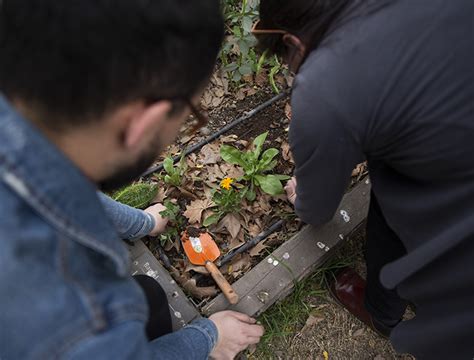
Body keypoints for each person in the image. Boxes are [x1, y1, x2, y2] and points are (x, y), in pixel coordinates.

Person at [0, 1, 264, 359]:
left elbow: (65, 190)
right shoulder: (83, 323)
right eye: (190, 114)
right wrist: (209, 337)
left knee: (151, 297)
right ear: (143, 122)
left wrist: (144, 222)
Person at [253, 0, 474, 358]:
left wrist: (303, 197)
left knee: (395, 213)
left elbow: (319, 209)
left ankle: (382, 312)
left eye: (286, 60)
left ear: (294, 44)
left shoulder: (323, 86)